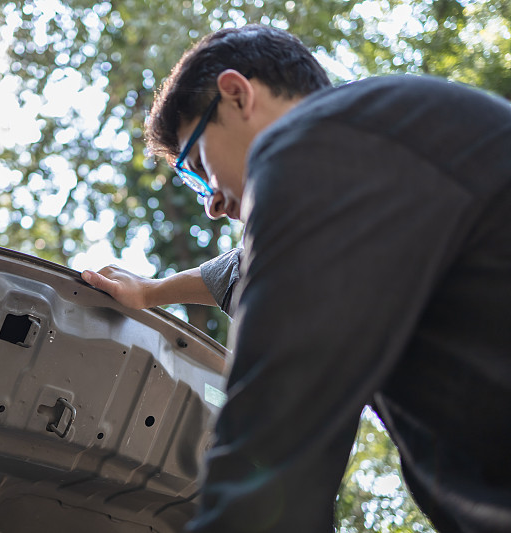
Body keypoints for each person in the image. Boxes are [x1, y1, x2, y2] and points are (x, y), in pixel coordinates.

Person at [82, 24, 511, 533]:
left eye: (199, 167)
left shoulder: (309, 142)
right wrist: (151, 292)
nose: (213, 204)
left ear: (238, 94)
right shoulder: (376, 149)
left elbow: (272, 436)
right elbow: (247, 268)